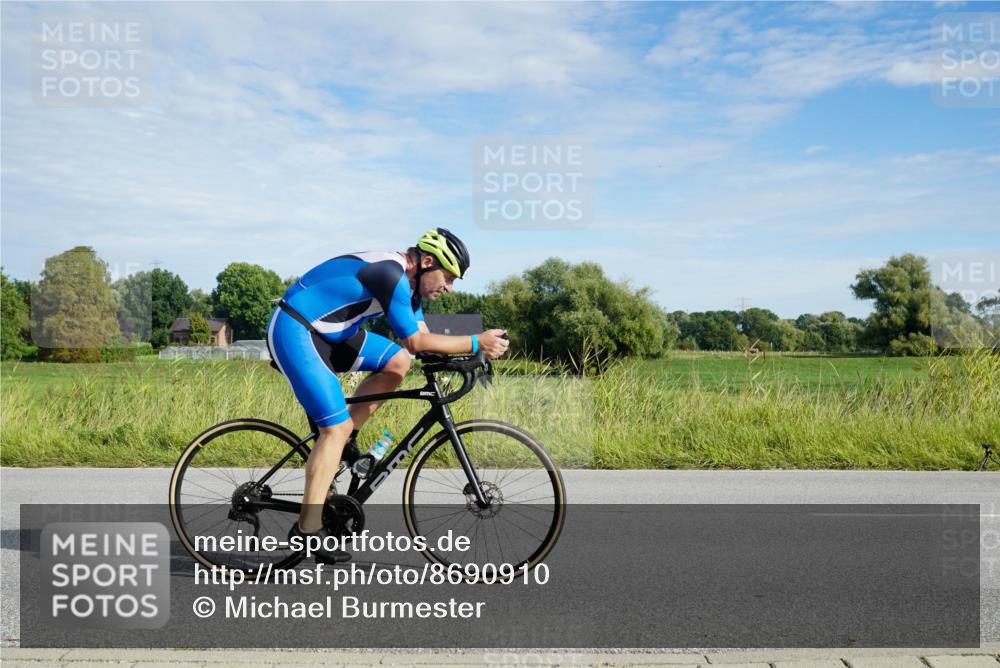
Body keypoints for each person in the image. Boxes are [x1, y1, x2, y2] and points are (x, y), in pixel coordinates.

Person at [265, 228, 509, 563]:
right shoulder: (390, 273)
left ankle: (345, 441)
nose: (449, 288)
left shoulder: (410, 291)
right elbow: (417, 341)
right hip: (296, 329)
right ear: (426, 262)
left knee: (397, 362)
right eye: (448, 277)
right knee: (333, 430)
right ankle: (307, 530)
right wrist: (477, 342)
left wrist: (465, 359)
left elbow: (423, 342)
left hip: (333, 333)